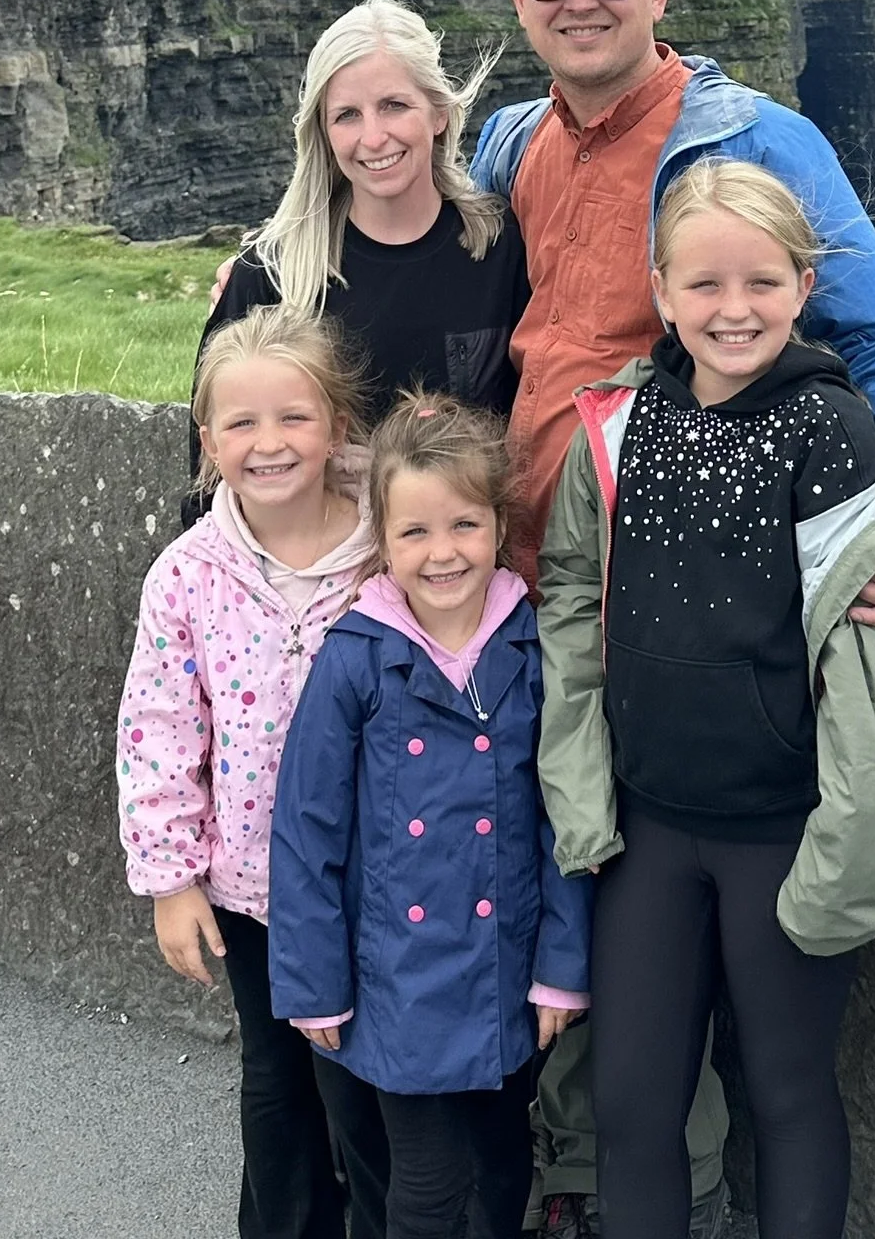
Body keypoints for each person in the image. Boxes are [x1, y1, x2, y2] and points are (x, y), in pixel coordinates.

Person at [467, 0, 875, 1234]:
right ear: (520, 1)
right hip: (536, 596)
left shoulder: (749, 140)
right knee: (575, 927)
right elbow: (398, 240)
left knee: (746, 1039)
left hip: (701, 642)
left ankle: (637, 1187)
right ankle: (585, 1180)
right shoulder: (512, 141)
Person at [535, 160, 875, 1239]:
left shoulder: (828, 428)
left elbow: (865, 669)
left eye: (760, 282)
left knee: (790, 1094)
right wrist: (579, 780)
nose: (732, 308)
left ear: (803, 286)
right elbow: (570, 590)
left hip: (784, 827)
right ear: (659, 291)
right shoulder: (616, 426)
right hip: (647, 821)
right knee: (631, 1101)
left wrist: (845, 846)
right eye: (702, 284)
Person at [268, 392, 594, 1239]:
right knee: (426, 1183)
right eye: (414, 532)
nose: (442, 552)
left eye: (463, 526)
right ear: (382, 541)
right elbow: (306, 833)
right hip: (398, 983)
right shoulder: (354, 660)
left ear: (498, 524)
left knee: (500, 1165)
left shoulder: (533, 649)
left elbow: (569, 818)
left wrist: (563, 965)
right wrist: (313, 986)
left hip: (505, 969)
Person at [117, 307, 392, 1239]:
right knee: (277, 1081)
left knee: (369, 1089)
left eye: (293, 418)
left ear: (338, 427)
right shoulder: (187, 577)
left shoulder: (396, 553)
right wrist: (171, 883)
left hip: (382, 876)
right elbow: (158, 733)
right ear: (208, 442)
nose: (268, 444)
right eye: (240, 424)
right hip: (252, 884)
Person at [193, 0, 530, 500]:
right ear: (323, 134)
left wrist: (386, 475)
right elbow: (210, 478)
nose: (373, 138)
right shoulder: (270, 277)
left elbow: (530, 444)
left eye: (394, 105)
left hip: (459, 566)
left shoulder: (506, 253)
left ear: (438, 112)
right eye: (347, 115)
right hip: (305, 571)